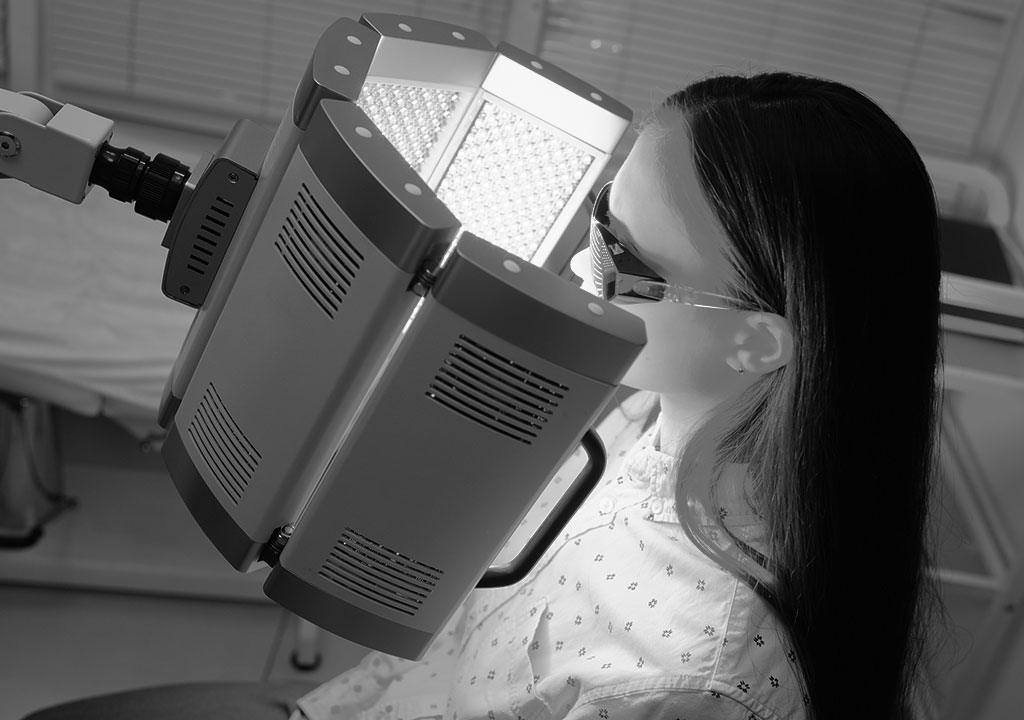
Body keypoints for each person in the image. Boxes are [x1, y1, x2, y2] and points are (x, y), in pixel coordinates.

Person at [23, 71, 945, 720]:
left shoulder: (689, 679)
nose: (583, 268)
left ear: (755, 340)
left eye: (622, 259)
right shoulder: (641, 409)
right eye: (598, 216)